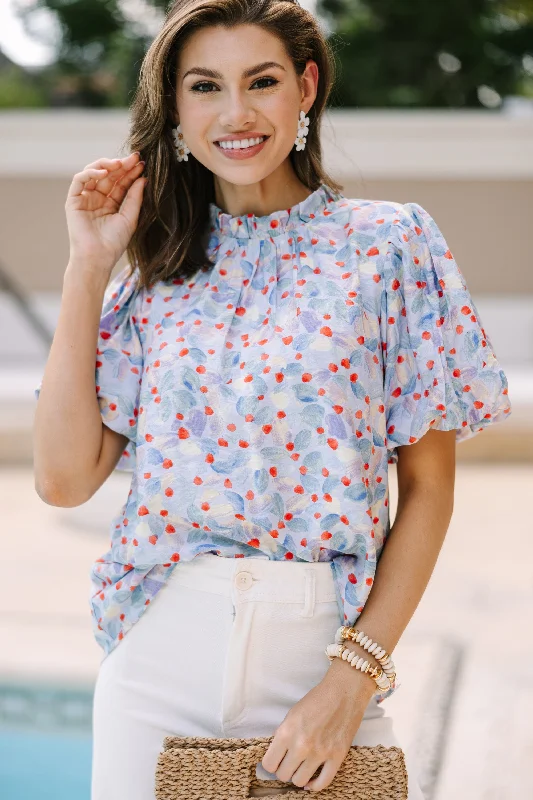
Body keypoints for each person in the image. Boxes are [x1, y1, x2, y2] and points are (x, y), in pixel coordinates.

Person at [33, 1, 512, 799]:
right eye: (204, 87)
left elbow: (427, 491)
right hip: (160, 653)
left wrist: (352, 680)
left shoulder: (389, 246)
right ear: (176, 112)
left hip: (321, 653)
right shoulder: (154, 275)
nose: (235, 113)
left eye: (261, 81)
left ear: (306, 88)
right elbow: (62, 480)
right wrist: (90, 263)